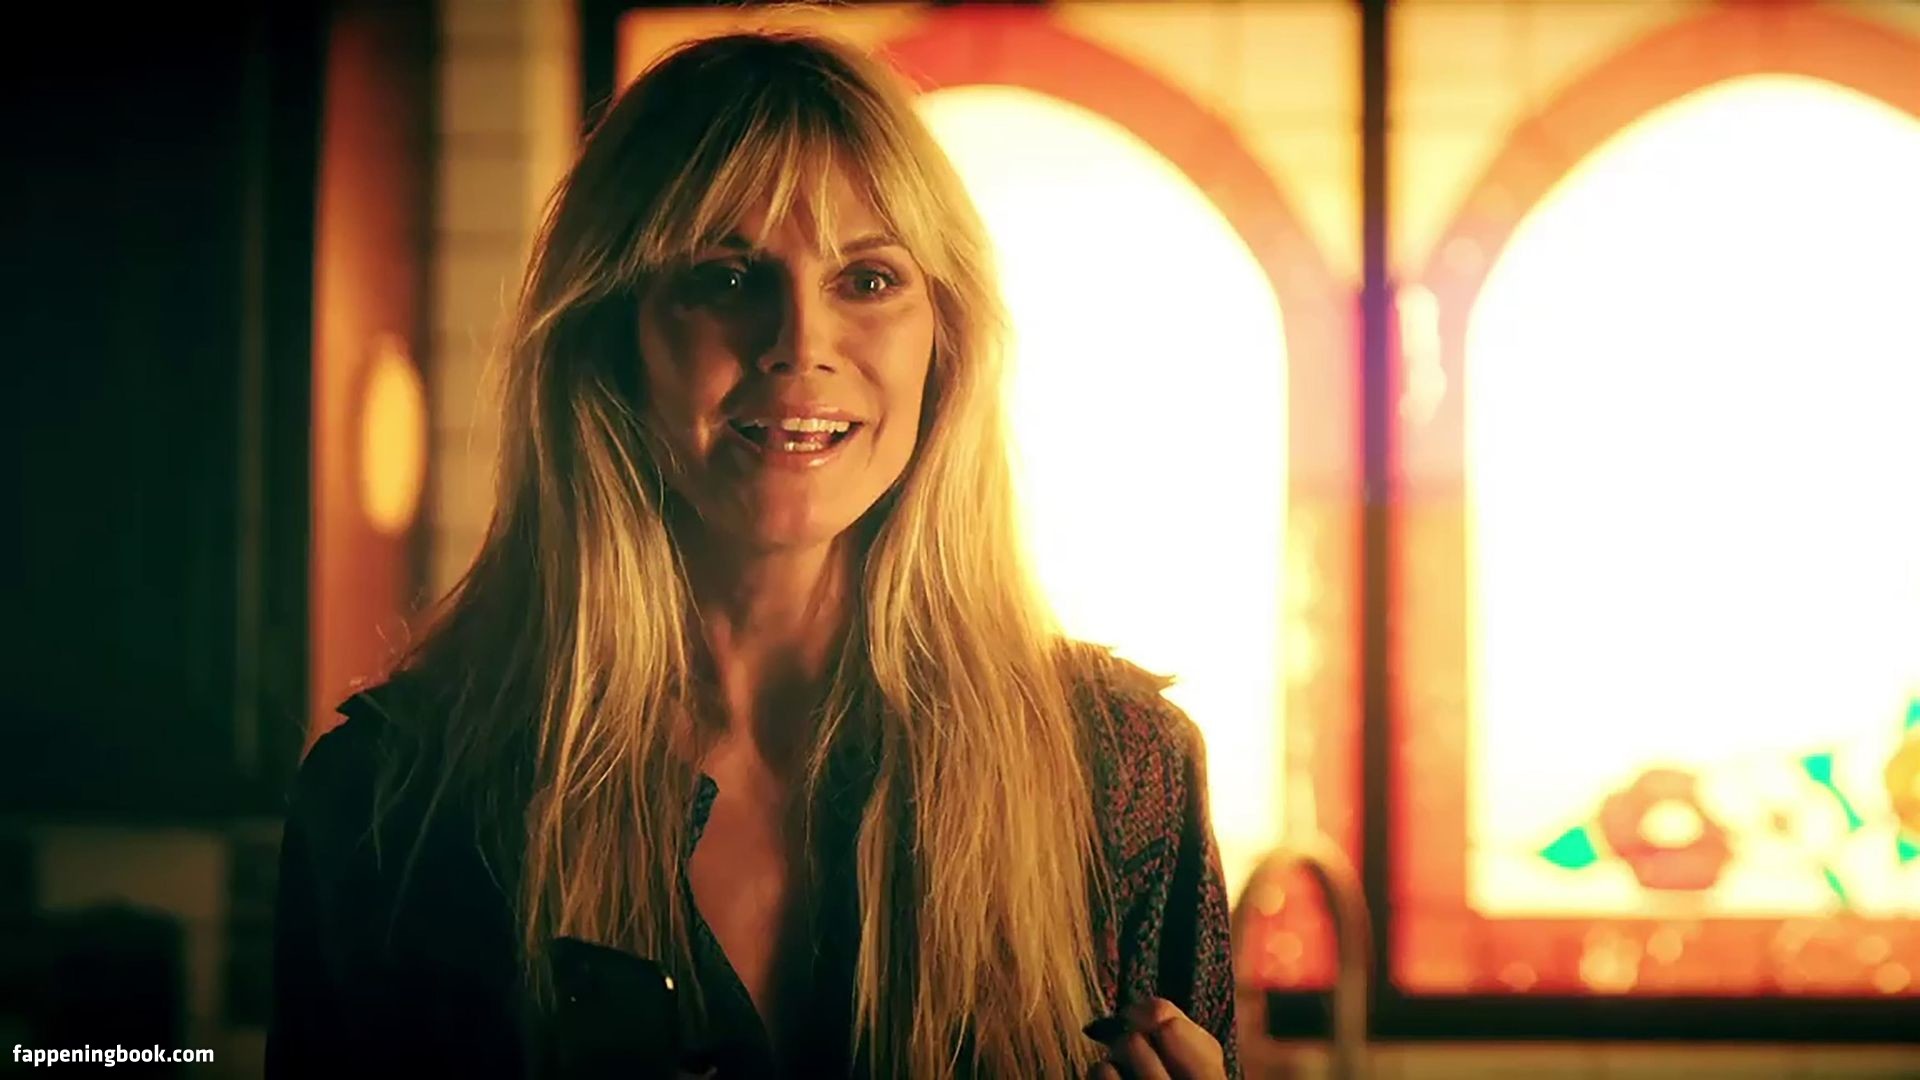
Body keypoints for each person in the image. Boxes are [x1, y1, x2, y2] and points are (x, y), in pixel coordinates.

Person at [266, 29, 1238, 1080]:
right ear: (614, 342)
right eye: (727, 277)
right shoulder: (395, 804)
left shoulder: (1120, 777)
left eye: (868, 279)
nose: (799, 344)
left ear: (944, 345)